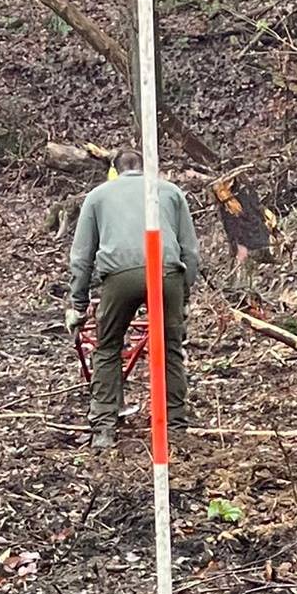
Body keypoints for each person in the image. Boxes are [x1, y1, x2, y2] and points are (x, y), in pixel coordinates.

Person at [64, 149, 200, 448]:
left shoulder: (97, 197)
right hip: (166, 273)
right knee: (169, 347)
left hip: (119, 276)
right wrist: (185, 295)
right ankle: (175, 426)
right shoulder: (170, 191)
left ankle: (103, 428)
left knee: (108, 346)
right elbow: (190, 251)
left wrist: (78, 304)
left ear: (114, 170)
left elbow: (81, 256)